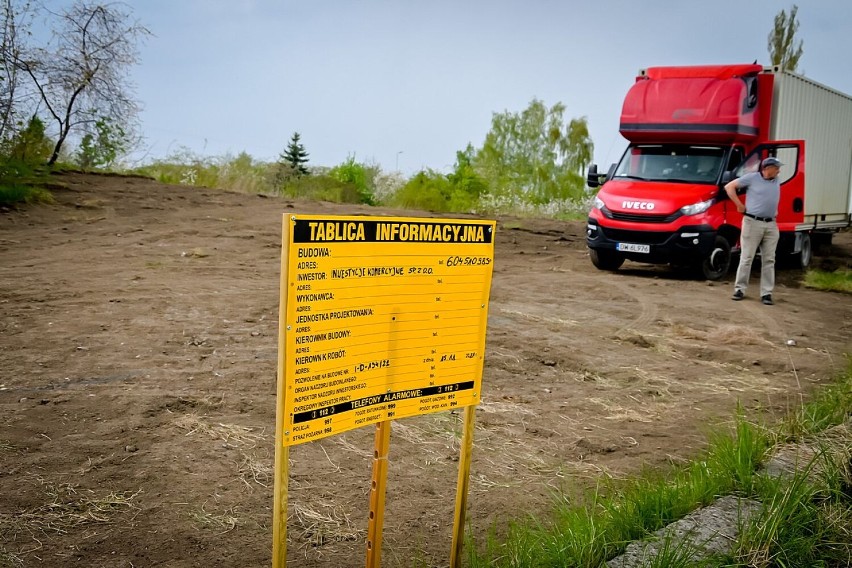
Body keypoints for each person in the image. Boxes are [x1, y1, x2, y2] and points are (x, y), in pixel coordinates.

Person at [724, 157, 783, 305]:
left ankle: (766, 293)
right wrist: (739, 204)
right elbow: (729, 187)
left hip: (771, 224)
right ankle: (739, 289)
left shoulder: (776, 180)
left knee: (769, 259)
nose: (779, 170)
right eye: (776, 167)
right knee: (747, 257)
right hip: (752, 222)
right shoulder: (752, 178)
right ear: (768, 168)